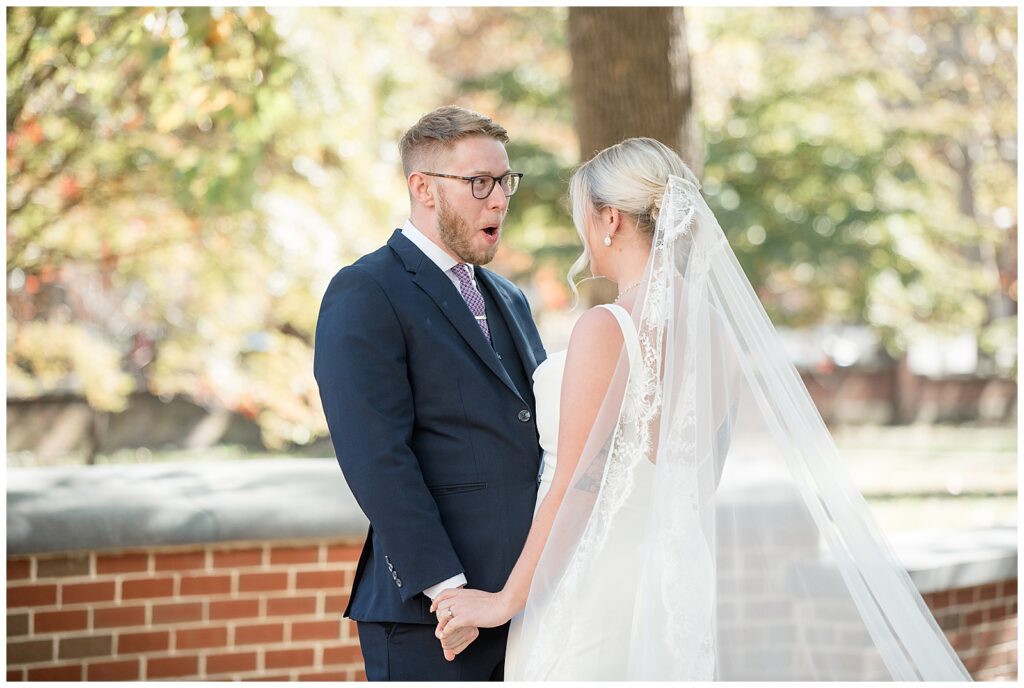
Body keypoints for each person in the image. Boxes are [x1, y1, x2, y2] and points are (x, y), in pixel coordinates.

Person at [430, 137, 972, 681]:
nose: (583, 235)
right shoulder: (718, 335)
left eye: (584, 218)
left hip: (592, 584)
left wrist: (503, 602)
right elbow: (698, 480)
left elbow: (578, 486)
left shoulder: (606, 327)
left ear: (611, 219)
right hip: (671, 585)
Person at [313, 105, 547, 681]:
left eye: (505, 182)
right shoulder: (366, 290)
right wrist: (448, 593)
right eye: (479, 183)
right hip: (433, 620)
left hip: (526, 606)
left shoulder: (510, 298)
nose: (499, 200)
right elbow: (377, 458)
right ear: (423, 187)